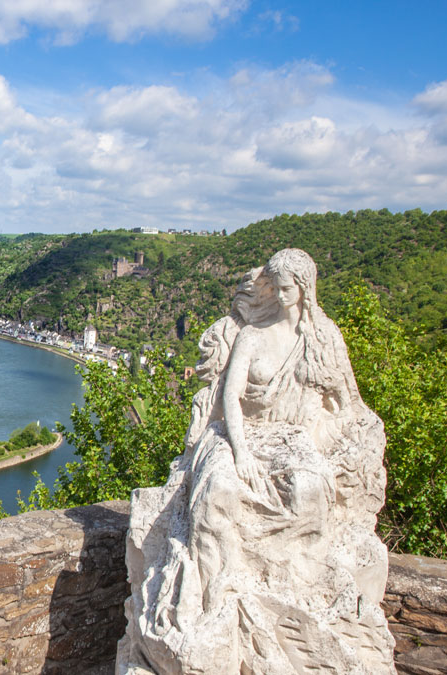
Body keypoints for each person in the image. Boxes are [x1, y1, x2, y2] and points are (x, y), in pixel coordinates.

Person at [118, 249, 395, 674]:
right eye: (276, 288)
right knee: (219, 489)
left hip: (292, 439)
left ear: (305, 290)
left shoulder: (323, 339)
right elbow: (230, 396)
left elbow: (347, 402)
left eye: (289, 289)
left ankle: (296, 585)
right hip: (238, 434)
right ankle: (213, 595)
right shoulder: (253, 335)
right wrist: (242, 451)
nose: (282, 297)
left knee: (309, 489)